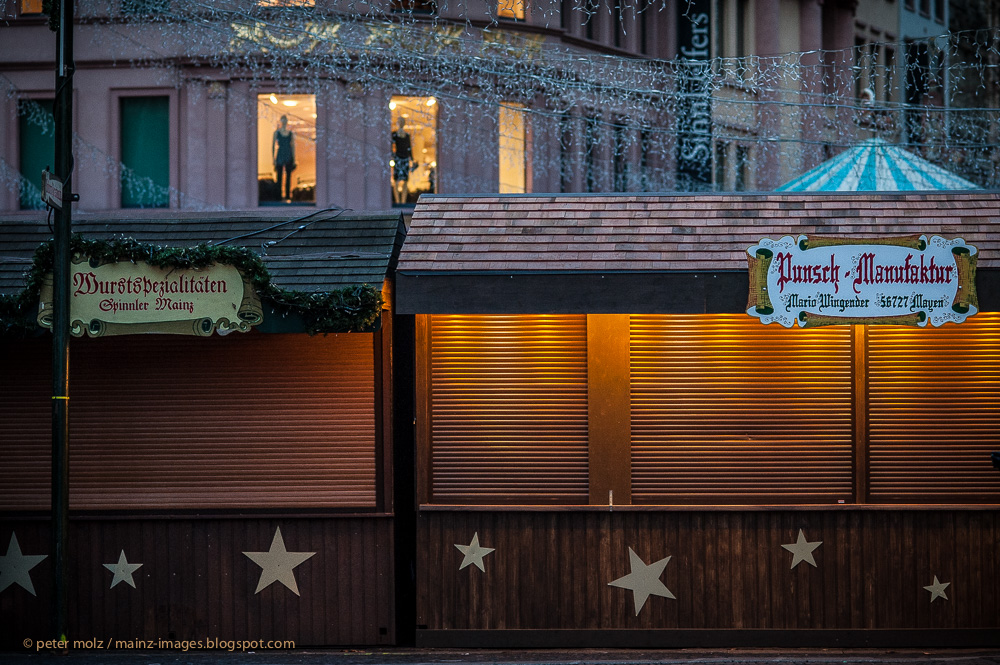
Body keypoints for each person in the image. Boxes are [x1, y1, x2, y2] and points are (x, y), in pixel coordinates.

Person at [272, 115, 296, 201]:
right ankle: (278, 195)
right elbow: (273, 146)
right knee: (279, 176)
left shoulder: (290, 133)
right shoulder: (277, 133)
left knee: (288, 176)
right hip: (280, 155)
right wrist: (273, 159)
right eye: (283, 120)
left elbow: (293, 146)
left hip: (288, 155)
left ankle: (287, 195)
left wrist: (294, 158)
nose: (284, 122)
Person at [391, 117, 415, 205]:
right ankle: (398, 201)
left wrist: (412, 159)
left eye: (402, 122)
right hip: (398, 158)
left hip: (405, 159)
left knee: (405, 181)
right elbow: (391, 145)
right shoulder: (394, 135)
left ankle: (403, 201)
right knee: (396, 180)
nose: (400, 123)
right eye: (399, 122)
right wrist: (392, 156)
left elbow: (409, 148)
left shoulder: (407, 135)